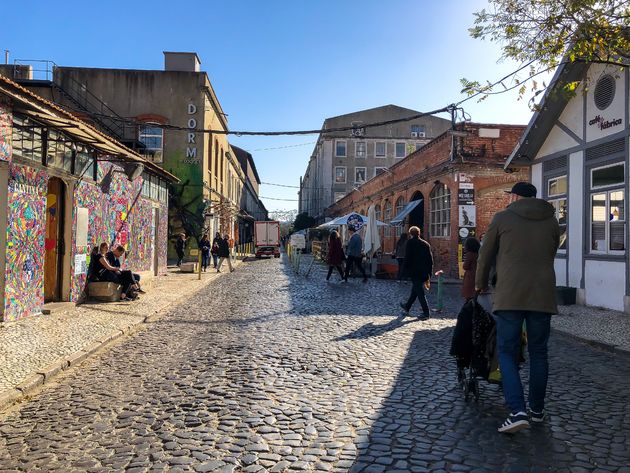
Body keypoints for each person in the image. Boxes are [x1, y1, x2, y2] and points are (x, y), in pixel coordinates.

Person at [475, 181, 560, 434]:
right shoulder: (551, 220)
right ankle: (536, 410)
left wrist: (479, 285)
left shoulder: (502, 218)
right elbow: (552, 251)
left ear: (515, 197)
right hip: (542, 294)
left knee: (507, 353)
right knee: (539, 352)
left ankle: (517, 410)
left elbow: (486, 254)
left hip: (510, 294)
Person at [399, 226, 432, 320]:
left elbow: (407, 257)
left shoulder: (410, 242)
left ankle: (426, 313)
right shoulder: (426, 244)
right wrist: (430, 273)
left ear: (410, 234)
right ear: (419, 233)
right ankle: (407, 306)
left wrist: (403, 271)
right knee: (415, 290)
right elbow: (430, 260)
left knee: (420, 292)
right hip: (424, 272)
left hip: (415, 272)